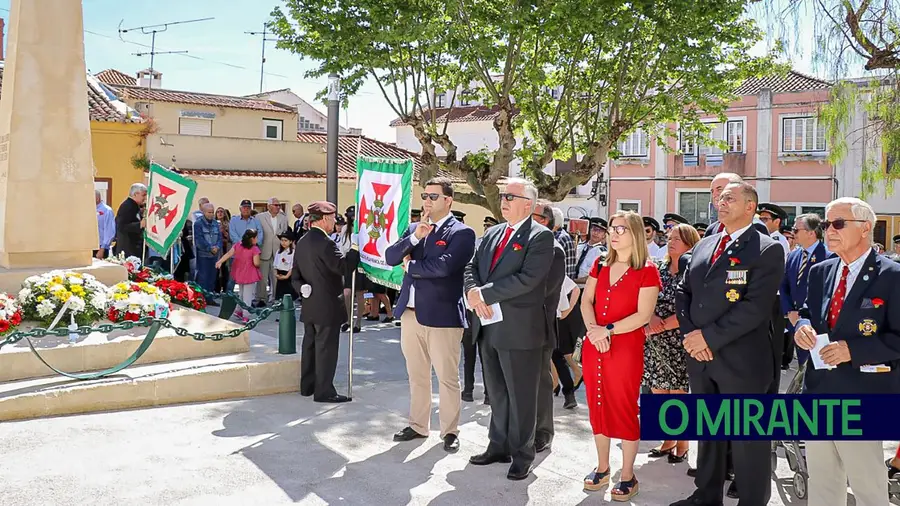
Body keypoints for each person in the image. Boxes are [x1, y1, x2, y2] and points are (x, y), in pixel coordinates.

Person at [671, 182, 785, 506]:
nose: (721, 202)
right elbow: (684, 291)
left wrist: (706, 337)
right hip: (701, 357)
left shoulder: (765, 248)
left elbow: (754, 307)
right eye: (720, 198)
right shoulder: (706, 244)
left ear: (750, 206)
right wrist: (691, 336)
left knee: (748, 440)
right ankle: (706, 495)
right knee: (709, 434)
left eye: (730, 198)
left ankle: (751, 500)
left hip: (743, 361)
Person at [793, 197, 899, 506]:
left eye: (838, 224)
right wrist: (802, 327)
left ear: (866, 228)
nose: (829, 231)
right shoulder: (821, 271)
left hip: (864, 395)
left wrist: (853, 350)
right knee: (824, 484)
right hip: (820, 391)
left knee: (868, 487)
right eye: (826, 224)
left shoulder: (892, 276)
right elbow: (807, 312)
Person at [464, 178, 554, 481]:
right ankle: (498, 446)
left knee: (521, 395)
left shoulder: (540, 237)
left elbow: (528, 279)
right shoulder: (491, 233)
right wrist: (472, 292)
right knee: (497, 392)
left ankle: (521, 454)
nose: (503, 201)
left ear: (528, 204)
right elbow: (471, 267)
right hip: (487, 326)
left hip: (519, 329)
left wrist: (485, 294)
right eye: (502, 196)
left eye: (510, 197)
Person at [385, 177, 476, 452]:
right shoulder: (414, 229)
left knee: (447, 377)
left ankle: (449, 431)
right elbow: (390, 257)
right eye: (425, 195)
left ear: (448, 200)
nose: (427, 200)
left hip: (443, 316)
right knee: (417, 375)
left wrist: (411, 266)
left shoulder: (462, 233)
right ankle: (417, 425)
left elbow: (445, 268)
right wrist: (415, 238)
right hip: (411, 314)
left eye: (433, 196)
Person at [579, 211, 660, 500]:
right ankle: (602, 467)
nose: (613, 234)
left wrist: (607, 330)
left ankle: (627, 475)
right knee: (596, 403)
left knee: (623, 406)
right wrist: (593, 331)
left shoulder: (648, 270)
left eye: (621, 229)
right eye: (612, 228)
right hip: (594, 343)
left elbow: (643, 315)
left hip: (624, 347)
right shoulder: (600, 265)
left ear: (635, 234)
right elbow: (586, 300)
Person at [644, 223, 700, 464]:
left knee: (678, 392)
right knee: (658, 390)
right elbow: (644, 296)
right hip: (654, 337)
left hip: (679, 338)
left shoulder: (693, 271)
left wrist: (665, 323)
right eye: (669, 237)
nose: (671, 241)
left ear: (690, 243)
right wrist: (651, 319)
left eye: (677, 238)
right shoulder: (659, 267)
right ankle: (667, 440)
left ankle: (683, 443)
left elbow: (694, 307)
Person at [291, 201, 350, 404]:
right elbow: (341, 267)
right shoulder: (326, 243)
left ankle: (307, 386)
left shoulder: (303, 241)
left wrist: (301, 289)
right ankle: (324, 391)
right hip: (327, 305)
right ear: (324, 219)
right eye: (333, 218)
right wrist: (356, 251)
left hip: (310, 304)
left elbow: (295, 276)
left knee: (310, 345)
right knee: (326, 348)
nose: (334, 221)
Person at [530, 200, 567, 452]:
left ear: (547, 223)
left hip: (537, 326)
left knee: (541, 383)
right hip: (510, 323)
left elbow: (542, 292)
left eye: (536, 216)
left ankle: (543, 431)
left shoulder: (554, 250)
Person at [781, 213, 827, 368]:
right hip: (795, 321)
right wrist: (789, 312)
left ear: (811, 232)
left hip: (816, 325)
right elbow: (784, 284)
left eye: (796, 229)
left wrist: (803, 315)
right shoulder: (794, 255)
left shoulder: (828, 256)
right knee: (802, 366)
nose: (793, 233)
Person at [215, 229, 261, 324]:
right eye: (256, 237)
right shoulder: (254, 249)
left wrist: (220, 261)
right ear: (252, 239)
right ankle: (246, 315)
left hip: (239, 272)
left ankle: (238, 311)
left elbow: (228, 254)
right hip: (250, 273)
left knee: (242, 293)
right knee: (248, 295)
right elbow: (256, 263)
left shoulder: (237, 245)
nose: (257, 239)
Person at [258, 198, 288, 305]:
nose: (278, 207)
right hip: (264, 250)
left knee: (276, 276)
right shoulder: (260, 217)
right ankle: (261, 298)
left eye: (279, 205)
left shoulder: (283, 218)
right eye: (275, 205)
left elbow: (285, 233)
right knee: (262, 277)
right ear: (269, 206)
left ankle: (276, 298)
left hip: (278, 251)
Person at [193, 203, 222, 293]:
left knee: (212, 278)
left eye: (212, 212)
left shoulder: (216, 223)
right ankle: (202, 298)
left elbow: (220, 238)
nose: (211, 214)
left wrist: (217, 247)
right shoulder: (198, 224)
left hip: (214, 256)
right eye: (209, 212)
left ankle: (210, 298)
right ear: (204, 212)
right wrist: (210, 248)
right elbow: (199, 240)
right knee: (203, 278)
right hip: (203, 256)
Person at [115, 183, 147, 258]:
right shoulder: (127, 206)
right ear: (135, 194)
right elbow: (121, 226)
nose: (145, 198)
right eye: (143, 195)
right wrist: (139, 225)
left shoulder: (135, 206)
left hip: (134, 249)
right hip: (128, 250)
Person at [273, 229, 297, 302]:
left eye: (286, 240)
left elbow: (292, 266)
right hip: (280, 274)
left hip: (288, 276)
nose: (283, 242)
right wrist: (276, 274)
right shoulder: (279, 252)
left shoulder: (293, 252)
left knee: (288, 297)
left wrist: (286, 276)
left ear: (290, 242)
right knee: (280, 297)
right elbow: (275, 264)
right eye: (282, 240)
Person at [95, 190, 115, 260]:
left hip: (100, 247)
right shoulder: (88, 209)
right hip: (89, 246)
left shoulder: (107, 210)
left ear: (97, 198)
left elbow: (110, 231)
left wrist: (102, 249)